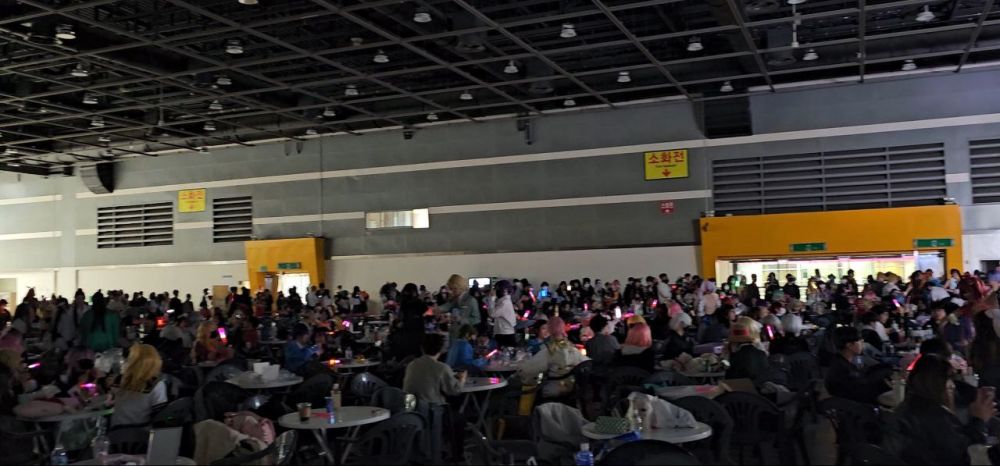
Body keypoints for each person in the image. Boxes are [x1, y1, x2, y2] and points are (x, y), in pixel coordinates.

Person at [886, 354, 995, 465]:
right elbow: (967, 454)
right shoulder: (933, 417)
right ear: (938, 383)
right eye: (949, 379)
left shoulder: (909, 407)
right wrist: (979, 420)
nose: (952, 386)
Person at [518, 317, 589, 397]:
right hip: (572, 388)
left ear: (549, 331)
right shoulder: (573, 349)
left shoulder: (548, 351)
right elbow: (587, 363)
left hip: (552, 390)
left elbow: (526, 372)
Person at [825, 326, 891, 404]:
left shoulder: (842, 361)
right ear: (849, 345)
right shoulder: (843, 369)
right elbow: (862, 390)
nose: (863, 341)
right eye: (859, 340)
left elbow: (864, 374)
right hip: (857, 406)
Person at [111, 344, 168, 427]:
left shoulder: (118, 379)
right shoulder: (157, 385)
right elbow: (160, 417)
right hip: (141, 432)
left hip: (116, 430)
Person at [725, 317, 769, 381]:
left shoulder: (736, 356)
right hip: (760, 384)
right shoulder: (762, 354)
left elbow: (730, 378)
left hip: (740, 385)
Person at [489, 280, 517, 348]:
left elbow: (492, 313)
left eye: (496, 289)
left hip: (505, 333)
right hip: (503, 332)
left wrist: (492, 298)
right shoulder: (503, 301)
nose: (495, 291)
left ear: (504, 290)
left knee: (505, 353)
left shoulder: (505, 303)